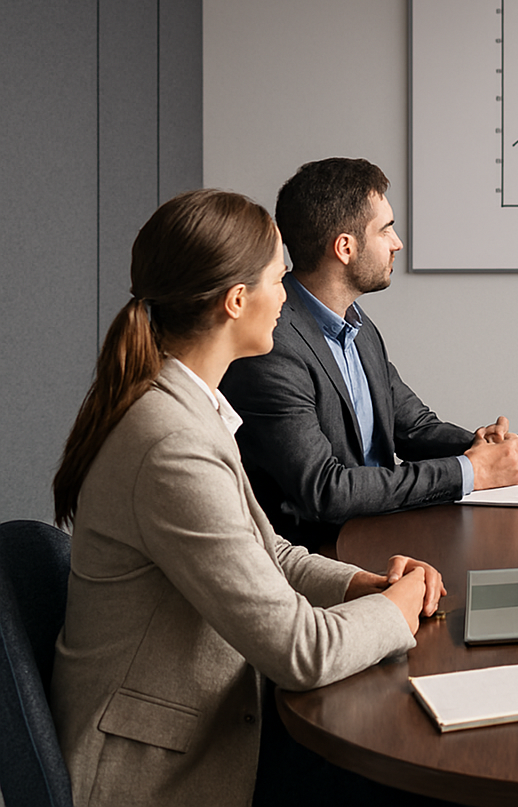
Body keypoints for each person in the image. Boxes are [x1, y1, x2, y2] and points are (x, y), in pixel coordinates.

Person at [50, 189, 448, 807]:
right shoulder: (170, 444)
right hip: (163, 771)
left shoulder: (189, 406)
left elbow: (273, 555)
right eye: (277, 277)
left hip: (217, 719)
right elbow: (299, 652)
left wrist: (362, 585)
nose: (288, 292)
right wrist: (398, 610)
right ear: (237, 301)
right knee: (425, 776)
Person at [222, 158, 518, 548]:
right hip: (324, 554)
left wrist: (479, 447)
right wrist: (468, 472)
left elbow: (413, 427)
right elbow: (325, 491)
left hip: (382, 529)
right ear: (345, 247)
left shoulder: (356, 324)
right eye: (385, 229)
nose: (397, 242)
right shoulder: (272, 347)